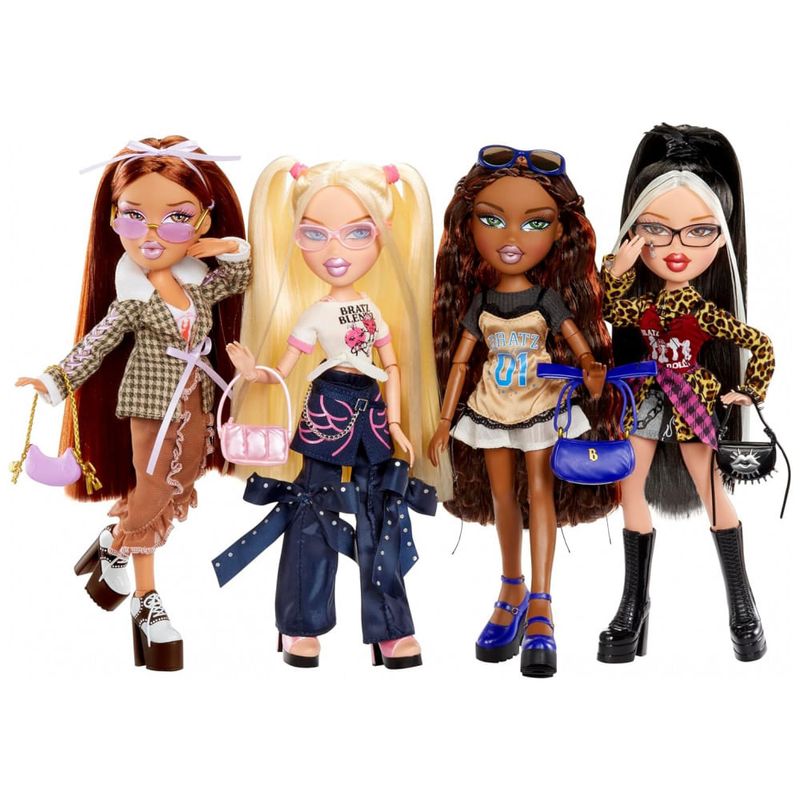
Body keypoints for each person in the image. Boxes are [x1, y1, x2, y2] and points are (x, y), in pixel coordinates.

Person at [16, 137, 250, 671]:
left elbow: (241, 273)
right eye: (134, 217)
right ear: (114, 219)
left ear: (201, 220)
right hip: (149, 404)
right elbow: (96, 343)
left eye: (176, 218)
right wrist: (55, 380)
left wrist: (222, 245)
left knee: (178, 485)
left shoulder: (199, 287)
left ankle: (112, 543)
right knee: (152, 489)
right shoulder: (132, 300)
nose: (152, 234)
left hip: (196, 400)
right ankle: (147, 599)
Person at [427, 146, 617, 677]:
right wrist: (443, 421)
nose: (512, 238)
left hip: (538, 404)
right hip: (491, 406)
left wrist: (590, 367)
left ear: (558, 233)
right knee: (501, 498)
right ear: (468, 227)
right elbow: (460, 362)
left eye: (534, 223)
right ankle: (510, 588)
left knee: (539, 492)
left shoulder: (545, 299)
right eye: (493, 221)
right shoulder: (481, 302)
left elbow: (578, 343)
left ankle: (541, 604)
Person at [597, 124, 774, 663]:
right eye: (657, 230)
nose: (676, 248)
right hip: (649, 397)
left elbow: (758, 342)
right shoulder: (648, 307)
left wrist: (749, 390)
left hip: (692, 400)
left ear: (720, 239)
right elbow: (612, 311)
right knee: (630, 488)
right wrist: (617, 269)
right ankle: (633, 602)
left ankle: (742, 603)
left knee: (714, 493)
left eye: (698, 232)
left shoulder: (702, 310)